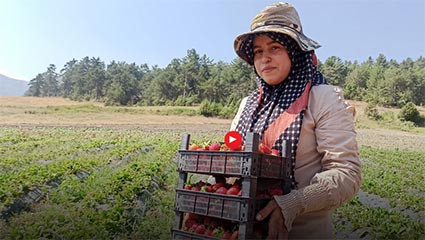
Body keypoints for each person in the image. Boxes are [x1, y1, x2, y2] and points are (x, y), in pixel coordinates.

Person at [230, 2, 361, 239]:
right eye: (258, 51)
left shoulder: (323, 98)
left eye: (275, 47)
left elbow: (346, 174)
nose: (265, 58)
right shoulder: (246, 105)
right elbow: (232, 160)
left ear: (295, 51)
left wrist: (293, 203)